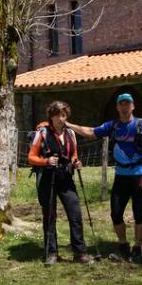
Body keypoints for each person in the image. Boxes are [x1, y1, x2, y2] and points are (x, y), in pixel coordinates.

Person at [66, 93, 142, 263]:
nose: (124, 107)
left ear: (133, 106)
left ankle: (137, 247)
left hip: (138, 176)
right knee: (115, 213)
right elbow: (91, 132)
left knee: (139, 214)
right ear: (117, 107)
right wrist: (69, 125)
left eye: (127, 104)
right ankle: (123, 244)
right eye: (121, 104)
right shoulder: (113, 126)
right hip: (121, 176)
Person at [27, 101, 93, 265]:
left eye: (63, 115)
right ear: (51, 116)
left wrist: (76, 162)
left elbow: (74, 155)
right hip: (47, 178)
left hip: (65, 178)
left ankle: (80, 252)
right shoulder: (42, 133)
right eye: (56, 115)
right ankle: (51, 253)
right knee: (49, 216)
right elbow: (31, 157)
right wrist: (46, 161)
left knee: (75, 214)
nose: (60, 118)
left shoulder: (71, 134)